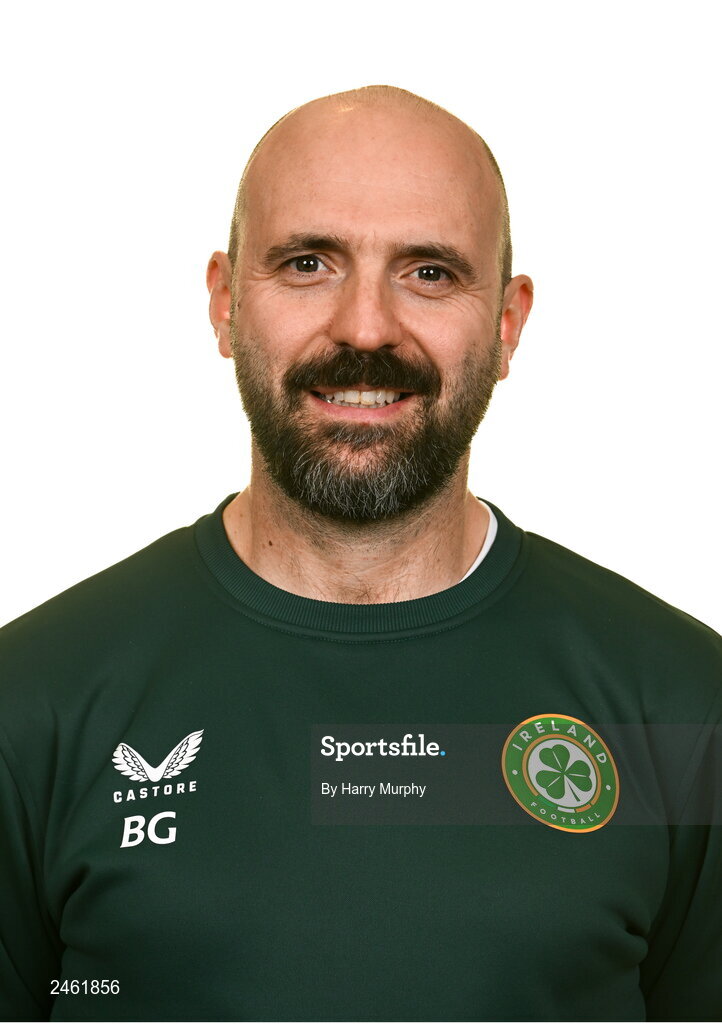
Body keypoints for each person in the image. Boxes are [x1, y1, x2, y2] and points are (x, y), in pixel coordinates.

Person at [0, 84, 719, 1023]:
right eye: (308, 263)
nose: (367, 327)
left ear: (507, 323)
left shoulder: (681, 705)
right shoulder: (34, 701)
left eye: (428, 272)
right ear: (224, 304)